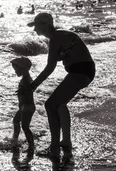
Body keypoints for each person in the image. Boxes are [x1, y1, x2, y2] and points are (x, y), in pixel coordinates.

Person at [28, 12, 95, 157]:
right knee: (60, 104)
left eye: (36, 26)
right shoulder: (62, 35)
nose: (35, 30)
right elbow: (68, 53)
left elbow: (50, 68)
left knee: (50, 105)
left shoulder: (56, 38)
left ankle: (54, 148)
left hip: (80, 71)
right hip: (85, 70)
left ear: (45, 25)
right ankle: (65, 141)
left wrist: (33, 86)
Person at [11, 56, 35, 148]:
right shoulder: (26, 78)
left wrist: (23, 91)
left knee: (25, 127)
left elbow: (29, 90)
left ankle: (31, 145)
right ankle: (15, 140)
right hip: (24, 107)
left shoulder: (26, 80)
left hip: (27, 107)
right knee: (16, 121)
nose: (15, 71)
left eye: (17, 69)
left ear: (23, 69)